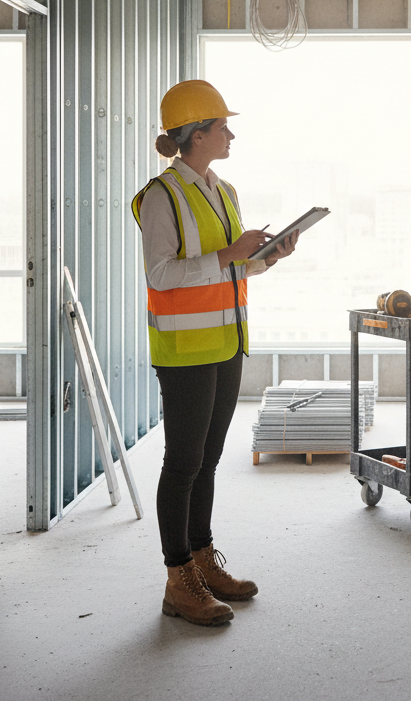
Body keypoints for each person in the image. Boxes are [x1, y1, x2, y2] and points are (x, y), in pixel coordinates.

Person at [131, 79, 297, 626]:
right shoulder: (161, 195)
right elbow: (161, 273)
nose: (231, 134)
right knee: (182, 463)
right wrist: (230, 253)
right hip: (184, 350)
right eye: (222, 126)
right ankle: (178, 579)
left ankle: (202, 559)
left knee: (208, 460)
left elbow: (231, 269)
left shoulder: (224, 191)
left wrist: (267, 257)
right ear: (197, 134)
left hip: (227, 342)